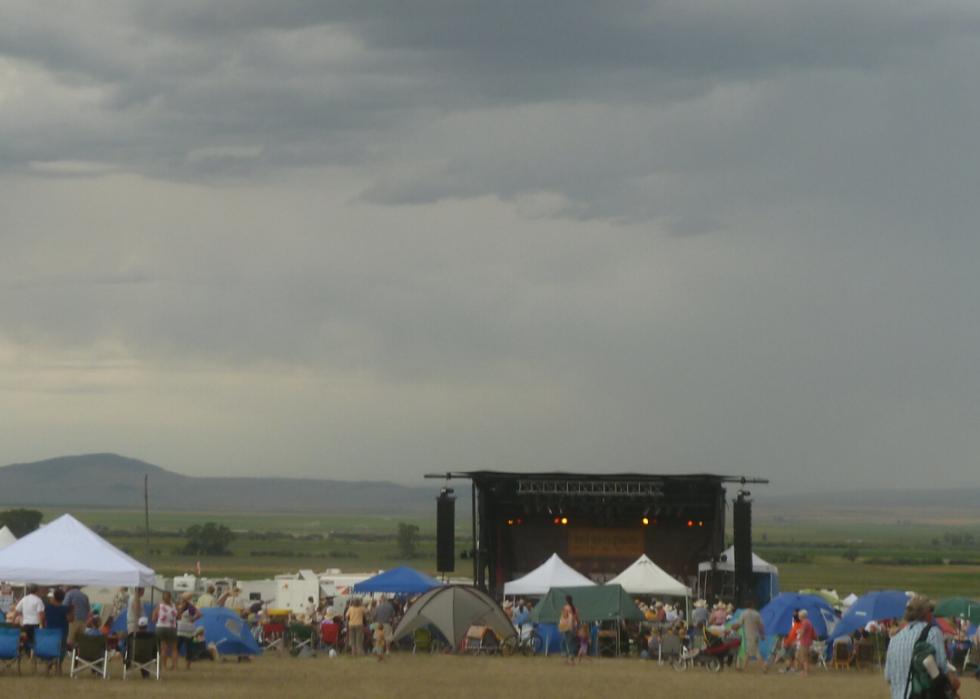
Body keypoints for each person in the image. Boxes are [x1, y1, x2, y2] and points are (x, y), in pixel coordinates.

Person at [885, 595, 961, 699]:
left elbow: (888, 677)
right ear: (926, 612)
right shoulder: (932, 633)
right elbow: (941, 669)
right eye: (931, 610)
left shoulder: (894, 639)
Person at [44, 588, 74, 671]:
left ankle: (49, 664)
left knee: (49, 648)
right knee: (61, 648)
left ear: (54, 597)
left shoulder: (48, 607)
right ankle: (58, 666)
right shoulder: (65, 609)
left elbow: (43, 618)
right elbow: (70, 620)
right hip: (62, 631)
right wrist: (72, 612)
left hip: (50, 631)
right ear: (63, 598)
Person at [735, 599, 767, 673]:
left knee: (756, 652)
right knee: (749, 653)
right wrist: (763, 634)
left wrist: (733, 628)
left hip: (750, 635)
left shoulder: (743, 614)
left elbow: (739, 624)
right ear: (752, 606)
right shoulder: (756, 614)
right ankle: (742, 668)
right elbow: (761, 625)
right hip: (756, 634)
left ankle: (763, 668)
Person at [153, 590, 180, 671]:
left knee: (163, 649)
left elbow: (154, 618)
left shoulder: (159, 607)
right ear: (170, 597)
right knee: (174, 649)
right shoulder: (175, 606)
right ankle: (174, 666)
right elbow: (179, 617)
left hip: (161, 627)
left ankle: (164, 667)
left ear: (162, 598)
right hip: (172, 628)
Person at [15, 583, 46, 651]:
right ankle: (32, 653)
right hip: (35, 622)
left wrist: (13, 620)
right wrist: (41, 624)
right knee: (34, 639)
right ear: (37, 591)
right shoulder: (38, 600)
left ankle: (27, 651)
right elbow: (40, 613)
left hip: (26, 622)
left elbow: (17, 610)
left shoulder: (24, 599)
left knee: (28, 638)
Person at [125, 587, 145, 670]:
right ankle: (132, 661)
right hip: (135, 623)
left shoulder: (133, 598)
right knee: (134, 643)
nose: (143, 592)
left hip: (133, 622)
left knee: (133, 643)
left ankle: (133, 661)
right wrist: (141, 624)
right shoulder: (135, 599)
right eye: (143, 590)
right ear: (140, 591)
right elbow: (137, 611)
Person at [559, 594, 579, 665]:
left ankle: (571, 660)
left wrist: (566, 625)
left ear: (566, 600)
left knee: (568, 643)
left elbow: (566, 617)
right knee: (564, 643)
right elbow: (577, 619)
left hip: (568, 627)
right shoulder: (575, 609)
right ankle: (566, 660)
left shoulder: (566, 608)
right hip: (574, 627)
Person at [796, 609, 816, 677]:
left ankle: (806, 672)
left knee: (804, 658)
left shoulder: (805, 623)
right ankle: (803, 670)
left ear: (801, 616)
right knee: (800, 656)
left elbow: (802, 632)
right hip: (804, 642)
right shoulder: (807, 622)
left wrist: (798, 638)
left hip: (805, 642)